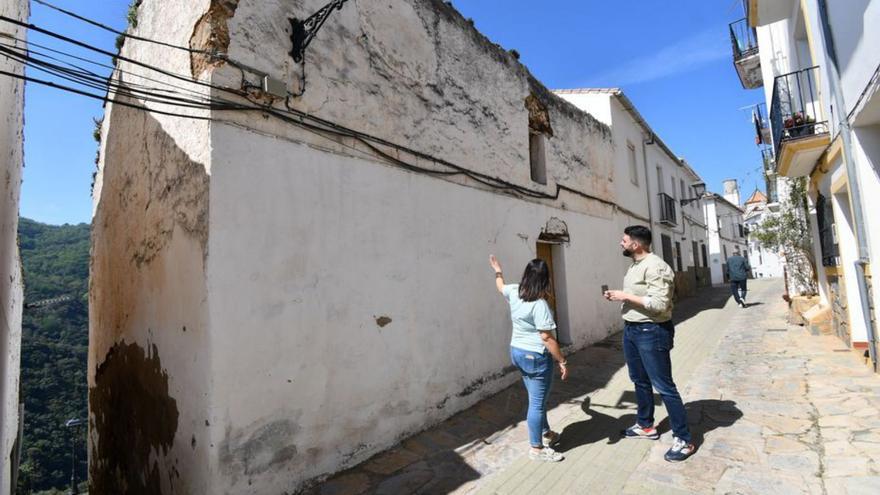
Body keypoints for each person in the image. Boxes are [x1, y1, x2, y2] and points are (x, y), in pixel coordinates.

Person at [603, 225, 695, 462]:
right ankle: (646, 426)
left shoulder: (656, 266)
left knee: (664, 387)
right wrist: (619, 296)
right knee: (640, 381)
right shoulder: (635, 266)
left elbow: (660, 304)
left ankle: (684, 439)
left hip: (651, 331)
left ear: (636, 244)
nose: (621, 243)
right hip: (632, 330)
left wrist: (624, 296)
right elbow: (640, 298)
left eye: (624, 240)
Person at [489, 254, 568, 462]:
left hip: (517, 352)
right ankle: (537, 449)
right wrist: (562, 360)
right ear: (545, 279)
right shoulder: (539, 304)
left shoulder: (514, 291)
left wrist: (498, 270)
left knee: (536, 399)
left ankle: (546, 433)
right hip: (535, 357)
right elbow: (546, 338)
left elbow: (500, 286)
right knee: (537, 403)